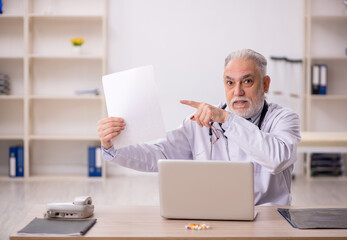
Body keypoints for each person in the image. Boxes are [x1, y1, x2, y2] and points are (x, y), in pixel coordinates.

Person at [97, 49, 301, 206]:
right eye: (230, 83)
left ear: (265, 84)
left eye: (247, 81)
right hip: (216, 217)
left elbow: (277, 158)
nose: (237, 91)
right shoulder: (200, 122)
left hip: (270, 220)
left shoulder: (283, 118)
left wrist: (227, 120)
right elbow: (158, 154)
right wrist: (112, 146)